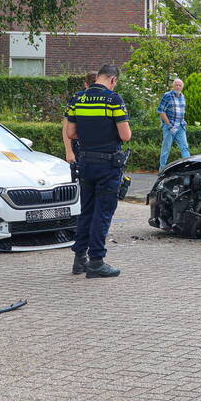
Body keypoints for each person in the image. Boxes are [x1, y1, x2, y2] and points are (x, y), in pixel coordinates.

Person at [65, 64, 131, 278]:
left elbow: (70, 132)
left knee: (86, 211)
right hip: (107, 165)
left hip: (85, 162)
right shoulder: (114, 100)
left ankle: (79, 260)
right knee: (102, 214)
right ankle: (96, 262)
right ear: (113, 79)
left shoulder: (78, 98)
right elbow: (125, 135)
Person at [62, 71, 98, 163]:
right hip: (79, 148)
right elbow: (66, 127)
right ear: (86, 85)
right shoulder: (76, 99)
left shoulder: (105, 99)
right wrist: (69, 152)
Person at [157, 78, 190, 171]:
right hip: (169, 127)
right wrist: (169, 125)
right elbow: (160, 111)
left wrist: (183, 123)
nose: (178, 87)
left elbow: (181, 112)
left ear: (182, 87)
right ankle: (162, 170)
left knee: (185, 148)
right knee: (166, 149)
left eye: (180, 85)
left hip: (180, 127)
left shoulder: (182, 96)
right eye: (176, 85)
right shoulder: (167, 95)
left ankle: (188, 168)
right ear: (173, 86)